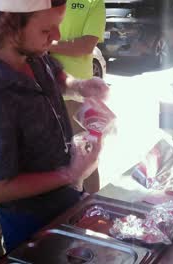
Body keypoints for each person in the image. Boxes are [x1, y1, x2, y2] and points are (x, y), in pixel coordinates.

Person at [0, 0, 109, 252]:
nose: (56, 37)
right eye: (47, 30)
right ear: (10, 26)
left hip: (66, 201)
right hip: (29, 221)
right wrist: (69, 173)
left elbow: (53, 71)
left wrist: (77, 86)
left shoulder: (27, 49)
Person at [49, 0, 105, 193]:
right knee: (51, 156)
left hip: (76, 96)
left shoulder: (94, 2)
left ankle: (92, 208)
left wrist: (46, 44)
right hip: (43, 90)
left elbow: (85, 46)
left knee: (86, 156)